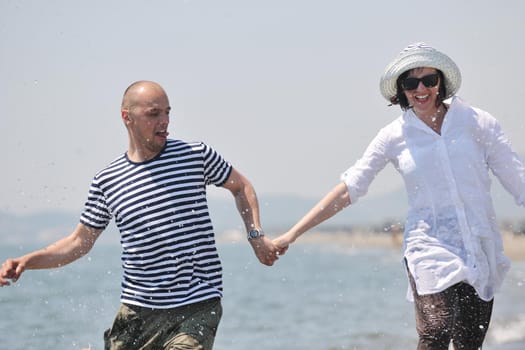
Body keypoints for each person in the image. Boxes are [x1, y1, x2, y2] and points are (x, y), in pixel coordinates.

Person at [273, 43, 525, 349]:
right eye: (410, 82)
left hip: (479, 244)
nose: (421, 89)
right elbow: (350, 188)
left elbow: (516, 177)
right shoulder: (393, 136)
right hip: (428, 245)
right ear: (401, 90)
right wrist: (292, 234)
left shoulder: (477, 122)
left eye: (429, 80)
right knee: (435, 331)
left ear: (440, 83)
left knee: (469, 342)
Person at [0, 80, 282, 350]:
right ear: (127, 117)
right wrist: (27, 261)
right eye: (154, 113)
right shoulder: (107, 181)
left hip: (197, 304)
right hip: (137, 311)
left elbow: (241, 186)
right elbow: (78, 243)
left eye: (167, 112)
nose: (164, 121)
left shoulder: (195, 155)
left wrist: (256, 235)